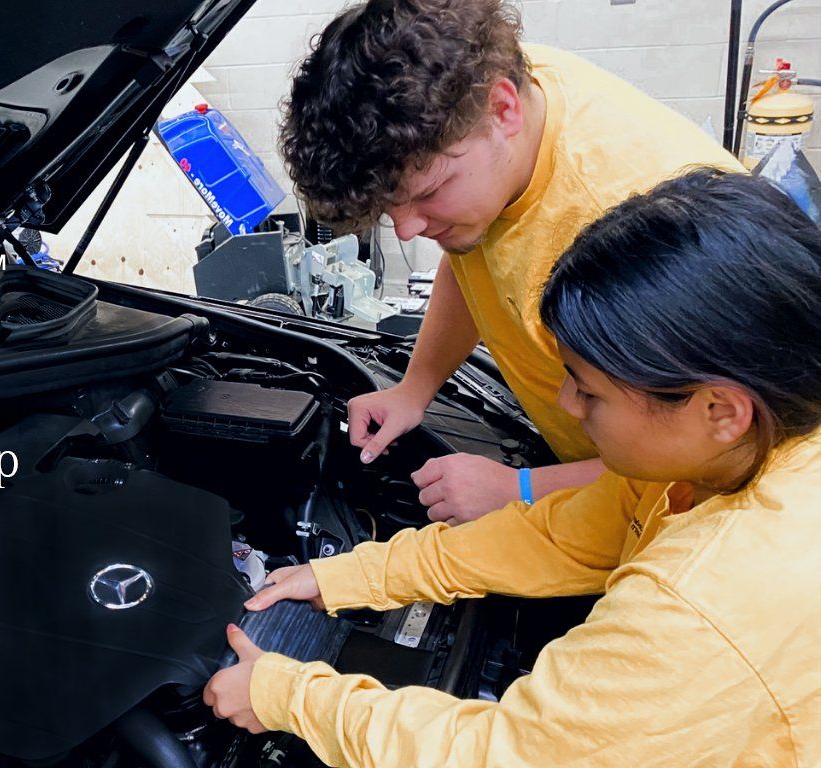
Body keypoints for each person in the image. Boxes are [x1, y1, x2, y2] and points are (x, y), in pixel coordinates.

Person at [202, 168, 821, 766]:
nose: (565, 403)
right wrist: (351, 576)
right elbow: (563, 535)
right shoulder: (728, 454)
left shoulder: (710, 603)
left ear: (721, 410)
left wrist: (291, 697)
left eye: (589, 390)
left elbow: (504, 757)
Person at [278, 0, 743, 523]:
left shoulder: (637, 229)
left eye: (428, 193)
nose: (408, 229)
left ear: (503, 110)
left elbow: (715, 459)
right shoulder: (486, 99)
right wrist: (415, 388)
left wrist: (521, 488)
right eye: (390, 208)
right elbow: (473, 259)